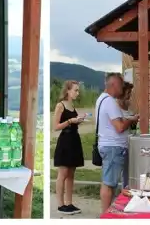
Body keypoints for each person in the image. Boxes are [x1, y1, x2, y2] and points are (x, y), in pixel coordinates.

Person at [95, 73, 139, 214]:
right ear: (113, 84)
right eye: (120, 85)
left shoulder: (101, 99)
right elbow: (119, 127)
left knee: (110, 182)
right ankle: (106, 215)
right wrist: (132, 120)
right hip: (113, 147)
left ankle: (108, 213)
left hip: (109, 145)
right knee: (109, 184)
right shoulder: (109, 101)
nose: (122, 89)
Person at [53, 81, 85, 215]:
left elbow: (73, 123)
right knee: (63, 173)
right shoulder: (60, 105)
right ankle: (60, 205)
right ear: (68, 91)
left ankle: (69, 203)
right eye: (75, 90)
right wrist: (70, 121)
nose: (77, 93)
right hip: (65, 141)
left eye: (78, 91)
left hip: (74, 140)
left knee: (71, 174)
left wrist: (79, 120)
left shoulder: (72, 105)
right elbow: (55, 126)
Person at [116, 82, 135, 189]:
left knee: (127, 174)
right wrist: (131, 120)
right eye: (128, 92)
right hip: (119, 143)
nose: (129, 95)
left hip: (128, 143)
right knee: (117, 174)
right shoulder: (115, 107)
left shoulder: (127, 105)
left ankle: (126, 192)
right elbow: (120, 126)